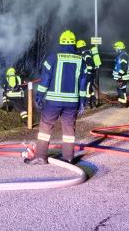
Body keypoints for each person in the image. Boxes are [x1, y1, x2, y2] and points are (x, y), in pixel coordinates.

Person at [24, 30, 87, 165]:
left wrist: (40, 96)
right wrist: (83, 102)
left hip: (53, 102)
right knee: (69, 129)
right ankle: (69, 157)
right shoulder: (81, 61)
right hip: (72, 103)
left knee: (45, 128)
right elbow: (83, 84)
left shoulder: (52, 58)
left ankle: (41, 156)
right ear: (74, 44)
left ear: (61, 42)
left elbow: (45, 80)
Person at [76, 40, 96, 108]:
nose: (78, 49)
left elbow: (90, 63)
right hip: (90, 74)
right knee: (90, 88)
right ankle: (93, 101)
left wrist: (89, 72)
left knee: (87, 88)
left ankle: (88, 103)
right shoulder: (87, 53)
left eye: (78, 48)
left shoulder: (86, 54)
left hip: (89, 74)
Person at [112, 41, 129, 106]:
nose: (115, 49)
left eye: (116, 48)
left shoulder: (123, 55)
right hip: (121, 76)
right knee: (121, 89)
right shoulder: (121, 55)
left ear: (119, 48)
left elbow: (124, 67)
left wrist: (119, 75)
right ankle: (122, 102)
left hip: (122, 76)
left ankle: (123, 103)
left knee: (121, 89)